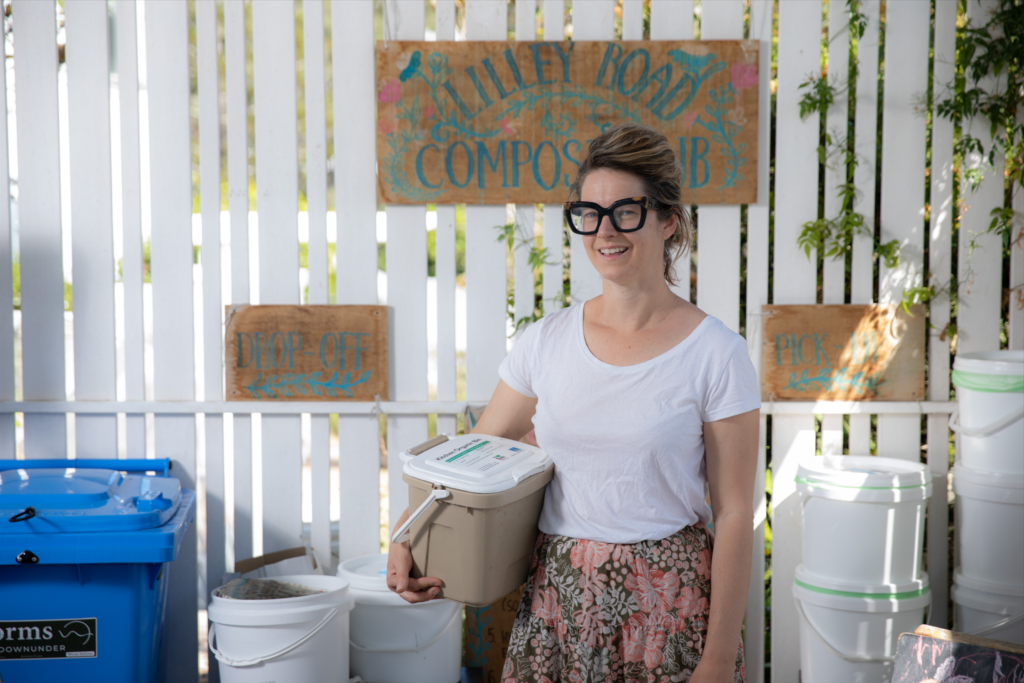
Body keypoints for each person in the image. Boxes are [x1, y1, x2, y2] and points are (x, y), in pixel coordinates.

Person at [387, 123, 760, 683]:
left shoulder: (716, 354)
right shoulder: (546, 342)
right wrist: (406, 538)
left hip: (668, 612)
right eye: (589, 212)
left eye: (626, 211)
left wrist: (717, 659)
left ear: (668, 221)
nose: (604, 230)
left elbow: (734, 514)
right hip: (559, 607)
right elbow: (468, 463)